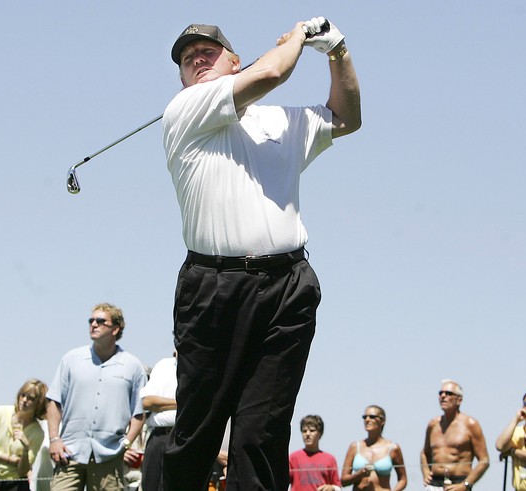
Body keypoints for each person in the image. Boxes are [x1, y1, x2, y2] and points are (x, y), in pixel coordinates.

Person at [160, 16, 361, 491]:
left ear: (235, 61)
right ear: (184, 80)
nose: (198, 60)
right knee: (197, 432)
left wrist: (338, 51)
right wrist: (297, 38)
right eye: (189, 59)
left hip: (287, 286)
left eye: (209, 52)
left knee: (263, 433)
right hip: (212, 287)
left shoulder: (281, 119)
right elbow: (271, 74)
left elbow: (348, 117)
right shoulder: (186, 108)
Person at [46, 303, 146, 491]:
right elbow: (54, 401)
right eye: (91, 320)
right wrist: (54, 439)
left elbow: (139, 413)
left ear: (115, 329)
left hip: (109, 457)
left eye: (100, 321)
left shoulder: (133, 366)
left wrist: (126, 444)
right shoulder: (71, 359)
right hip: (69, 453)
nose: (93, 324)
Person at [0, 379, 49, 491]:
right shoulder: (1, 412)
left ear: (39, 404)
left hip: (15, 485)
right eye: (23, 395)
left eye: (31, 398)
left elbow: (22, 471)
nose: (24, 400)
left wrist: (26, 448)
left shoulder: (37, 432)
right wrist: (12, 460)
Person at [420, 380, 489, 491]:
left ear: (459, 400)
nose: (443, 396)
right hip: (434, 483)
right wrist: (426, 472)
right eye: (440, 393)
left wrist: (466, 484)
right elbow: (424, 452)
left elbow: (484, 460)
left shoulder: (470, 424)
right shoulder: (433, 424)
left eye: (448, 393)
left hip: (458, 483)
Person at [340, 406, 406, 491]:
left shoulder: (393, 448)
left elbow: (403, 479)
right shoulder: (355, 447)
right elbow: (343, 481)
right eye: (364, 417)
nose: (367, 420)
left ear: (382, 421)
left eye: (372, 417)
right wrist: (359, 474)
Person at [139, 353, 177, 491]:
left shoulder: (202, 366)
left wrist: (161, 403)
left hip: (186, 437)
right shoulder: (163, 365)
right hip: (159, 438)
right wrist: (182, 402)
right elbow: (148, 402)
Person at [288, 415, 341, 491]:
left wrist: (331, 488)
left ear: (320, 433)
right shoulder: (293, 457)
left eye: (312, 430)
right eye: (304, 431)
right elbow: (282, 481)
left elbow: (338, 486)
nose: (307, 434)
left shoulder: (330, 459)